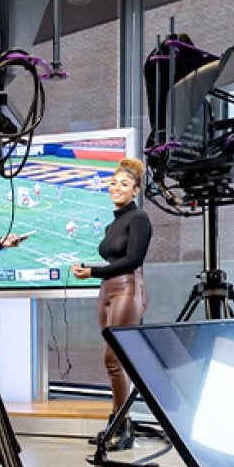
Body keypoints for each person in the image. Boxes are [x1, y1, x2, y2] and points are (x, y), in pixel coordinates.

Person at [71, 158, 153, 444]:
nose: (117, 188)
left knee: (113, 357)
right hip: (107, 290)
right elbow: (115, 259)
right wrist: (91, 269)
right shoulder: (112, 224)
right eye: (113, 183)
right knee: (113, 360)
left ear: (136, 190)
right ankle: (119, 422)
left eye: (124, 184)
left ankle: (122, 423)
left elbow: (133, 260)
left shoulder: (139, 217)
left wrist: (93, 271)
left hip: (128, 289)